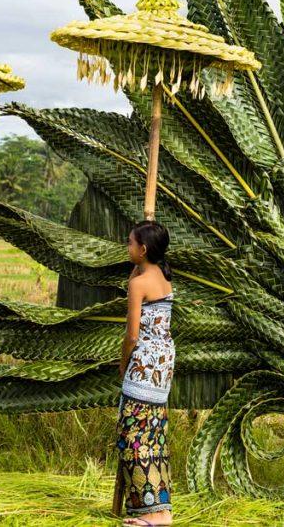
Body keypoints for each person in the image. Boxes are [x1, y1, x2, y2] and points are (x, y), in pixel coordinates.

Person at [115, 220, 175, 526]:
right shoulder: (164, 277)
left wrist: (123, 361)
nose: (126, 247)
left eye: (130, 243)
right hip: (163, 364)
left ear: (143, 249)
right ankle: (162, 510)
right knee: (154, 434)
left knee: (133, 435)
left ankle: (150, 513)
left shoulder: (138, 285)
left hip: (144, 364)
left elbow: (132, 335)